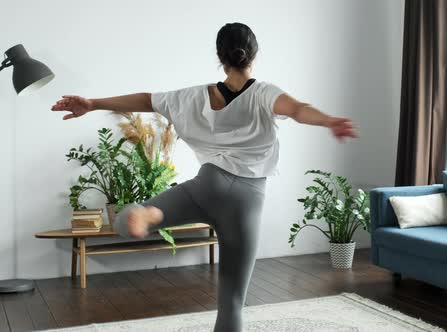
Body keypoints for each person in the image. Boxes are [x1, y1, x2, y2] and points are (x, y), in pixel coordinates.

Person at [51, 22, 358, 332]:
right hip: (245, 199)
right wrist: (329, 121)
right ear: (255, 54)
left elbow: (146, 100)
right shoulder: (264, 93)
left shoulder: (193, 96)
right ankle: (149, 216)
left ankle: (148, 214)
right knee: (232, 302)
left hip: (207, 185)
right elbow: (297, 109)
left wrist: (93, 104)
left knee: (126, 222)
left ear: (219, 56)